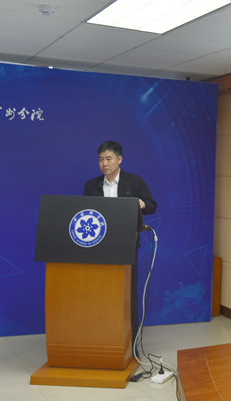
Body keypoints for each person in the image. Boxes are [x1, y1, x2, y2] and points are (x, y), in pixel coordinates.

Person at [83, 140, 156, 340]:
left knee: (127, 292)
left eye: (108, 159)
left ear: (120, 159)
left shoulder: (134, 181)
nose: (104, 164)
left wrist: (142, 204)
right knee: (100, 291)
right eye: (101, 160)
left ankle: (130, 339)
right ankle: (101, 336)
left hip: (126, 245)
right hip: (98, 247)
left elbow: (152, 205)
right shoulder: (91, 185)